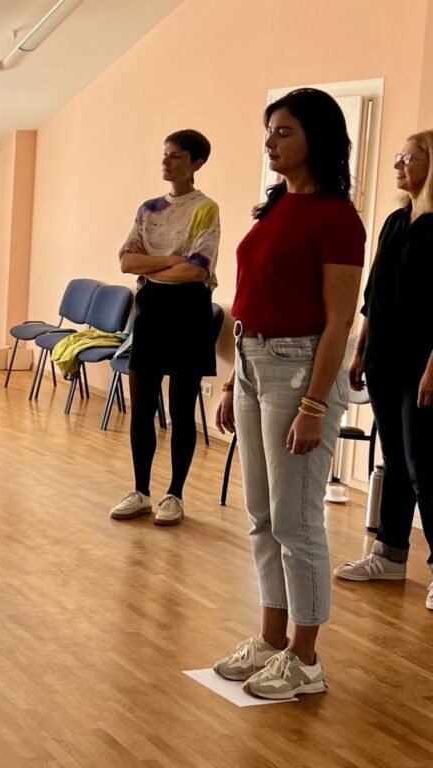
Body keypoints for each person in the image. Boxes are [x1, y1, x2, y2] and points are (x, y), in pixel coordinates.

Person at [214, 88, 365, 699]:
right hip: (253, 364)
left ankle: (305, 658)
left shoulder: (338, 218)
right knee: (261, 516)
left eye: (285, 132)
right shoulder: (277, 204)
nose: (271, 141)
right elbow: (254, 296)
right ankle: (272, 639)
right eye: (270, 130)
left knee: (296, 522)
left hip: (299, 371)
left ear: (316, 139)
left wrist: (313, 405)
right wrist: (234, 377)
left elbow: (339, 323)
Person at [335, 130, 433, 611]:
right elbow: (373, 293)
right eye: (396, 156)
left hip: (423, 364)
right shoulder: (396, 221)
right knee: (393, 461)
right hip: (382, 358)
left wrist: (432, 369)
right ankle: (389, 554)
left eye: (407, 158)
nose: (398, 164)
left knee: (424, 467)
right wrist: (359, 350)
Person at [109, 129, 220, 526]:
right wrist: (172, 260)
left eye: (175, 156)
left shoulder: (205, 209)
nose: (166, 161)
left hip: (189, 311)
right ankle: (140, 491)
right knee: (142, 406)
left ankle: (175, 494)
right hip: (151, 310)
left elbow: (196, 270)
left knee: (181, 408)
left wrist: (154, 266)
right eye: (165, 154)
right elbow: (127, 262)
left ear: (196, 164)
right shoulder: (148, 209)